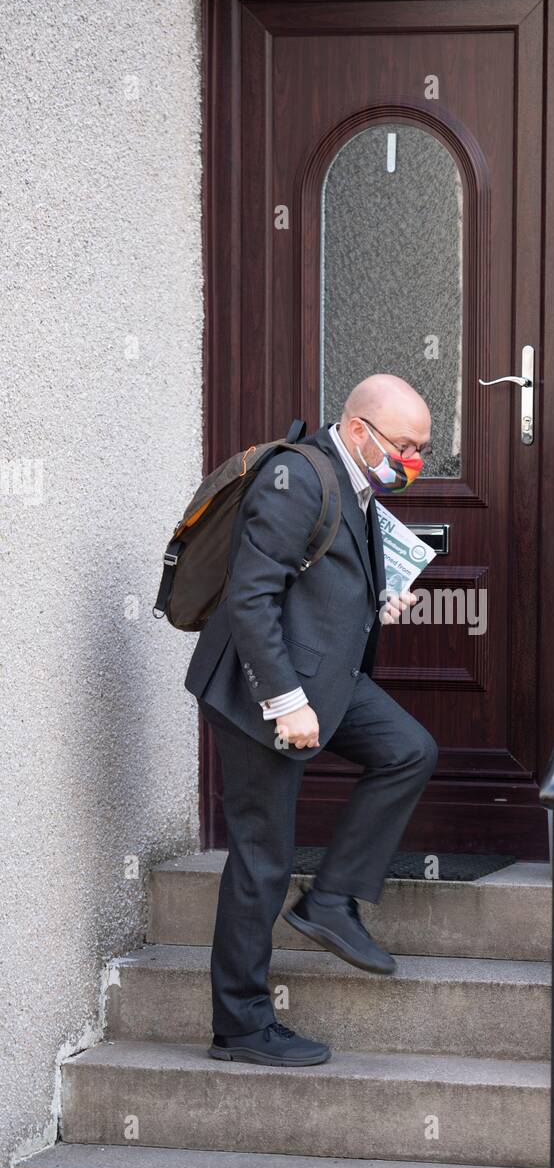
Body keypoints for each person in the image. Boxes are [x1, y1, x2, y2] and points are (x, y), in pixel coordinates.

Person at [184, 374, 439, 1067]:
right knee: (263, 860)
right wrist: (285, 702)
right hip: (257, 689)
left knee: (408, 750)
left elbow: (320, 580)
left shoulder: (353, 479)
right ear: (360, 430)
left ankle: (330, 902)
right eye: (406, 446)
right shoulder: (296, 478)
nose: (414, 460)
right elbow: (252, 598)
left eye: (422, 449)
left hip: (324, 679)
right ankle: (239, 1026)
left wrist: (378, 605)